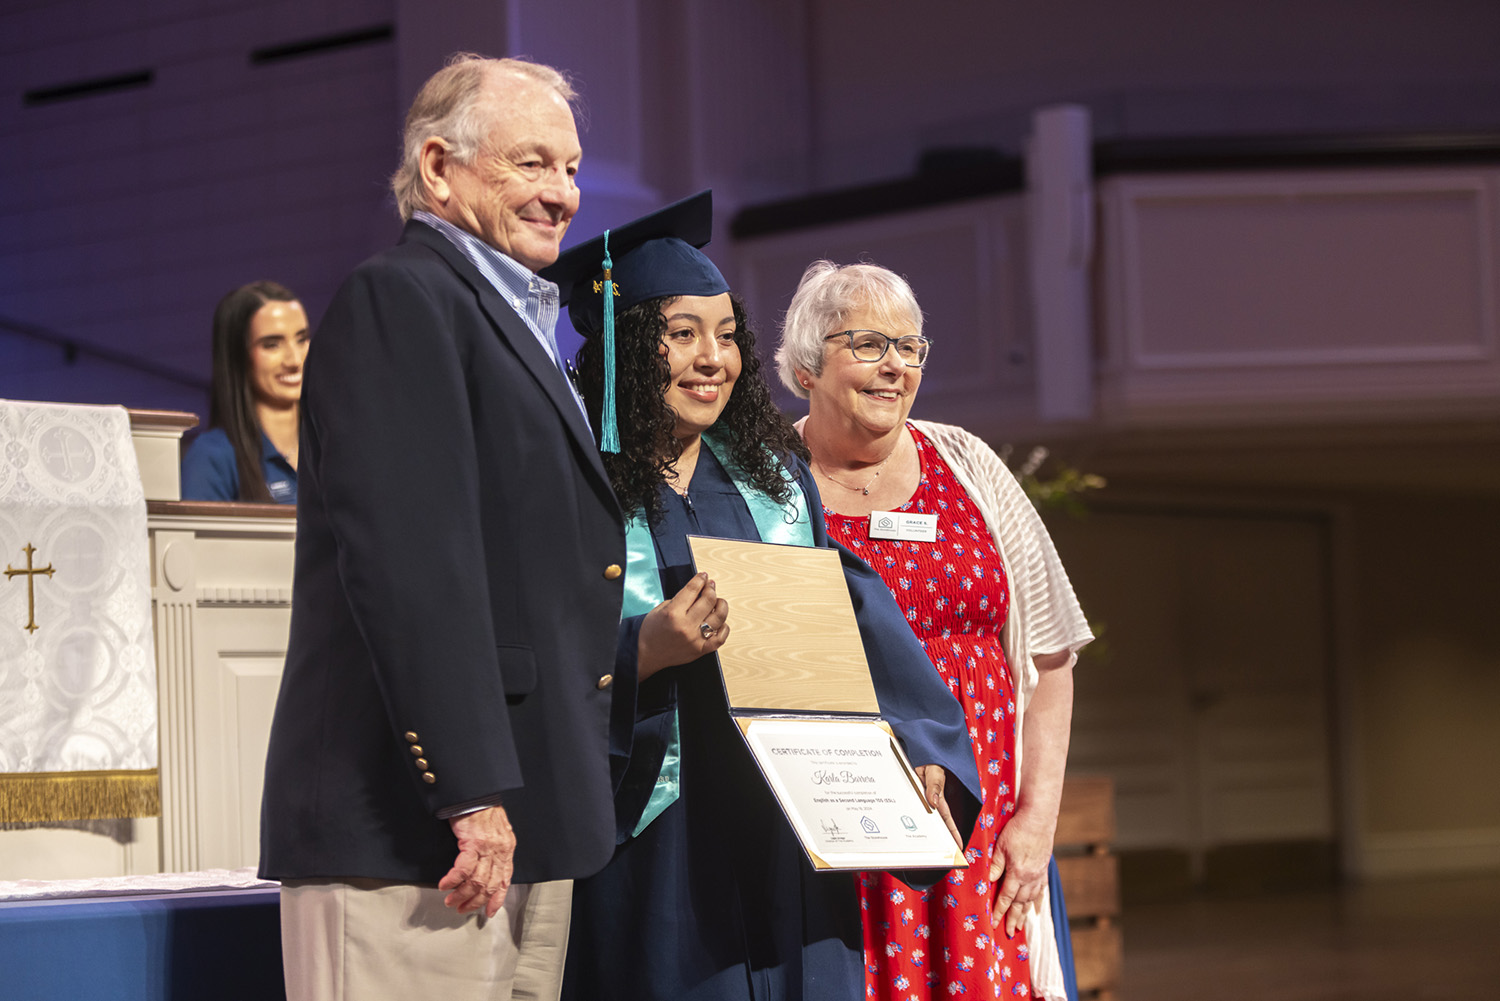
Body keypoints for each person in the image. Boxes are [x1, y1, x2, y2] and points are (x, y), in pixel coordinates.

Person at [542, 192, 982, 1001]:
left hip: (786, 826)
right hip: (653, 839)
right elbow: (526, 651)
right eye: (681, 334)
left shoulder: (773, 486)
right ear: (626, 348)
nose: (713, 358)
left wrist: (919, 744)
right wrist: (639, 650)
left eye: (727, 334)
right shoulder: (569, 492)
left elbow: (855, 619)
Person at [258, 54, 628, 1001]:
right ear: (438, 169)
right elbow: (416, 563)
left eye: (573, 168)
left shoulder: (509, 317)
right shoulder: (400, 297)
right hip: (419, 828)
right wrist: (469, 791)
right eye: (533, 164)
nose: (565, 195)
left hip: (524, 817)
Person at [775, 261, 1094, 1001]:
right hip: (840, 831)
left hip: (984, 839)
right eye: (867, 344)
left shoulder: (967, 461)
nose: (896, 365)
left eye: (911, 346)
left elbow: (1052, 656)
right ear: (805, 364)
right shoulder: (768, 481)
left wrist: (1036, 822)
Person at [181, 280, 307, 502]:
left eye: (302, 339)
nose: (295, 360)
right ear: (238, 357)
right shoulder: (213, 456)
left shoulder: (336, 446)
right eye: (272, 344)